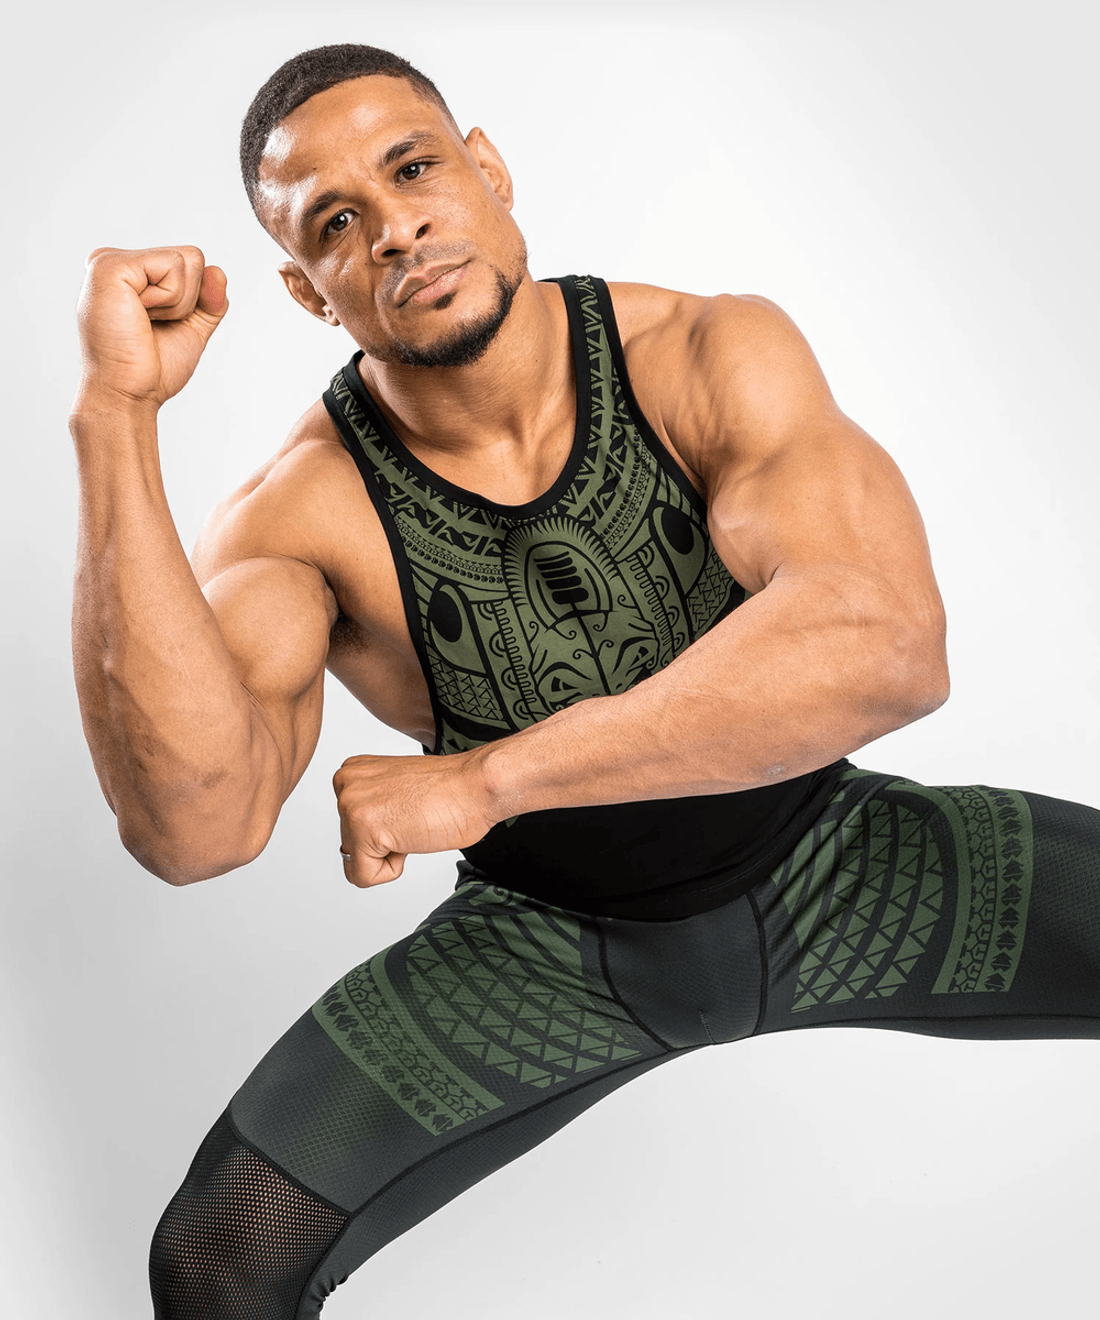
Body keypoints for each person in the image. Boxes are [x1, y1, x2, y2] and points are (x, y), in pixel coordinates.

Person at [69, 42, 1100, 1320]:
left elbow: (887, 643)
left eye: (413, 169)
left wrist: (485, 781)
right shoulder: (301, 512)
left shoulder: (702, 353)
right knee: (217, 1258)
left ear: (486, 168)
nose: (394, 230)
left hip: (844, 866)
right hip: (544, 955)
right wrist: (115, 418)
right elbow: (194, 829)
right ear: (304, 289)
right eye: (337, 222)